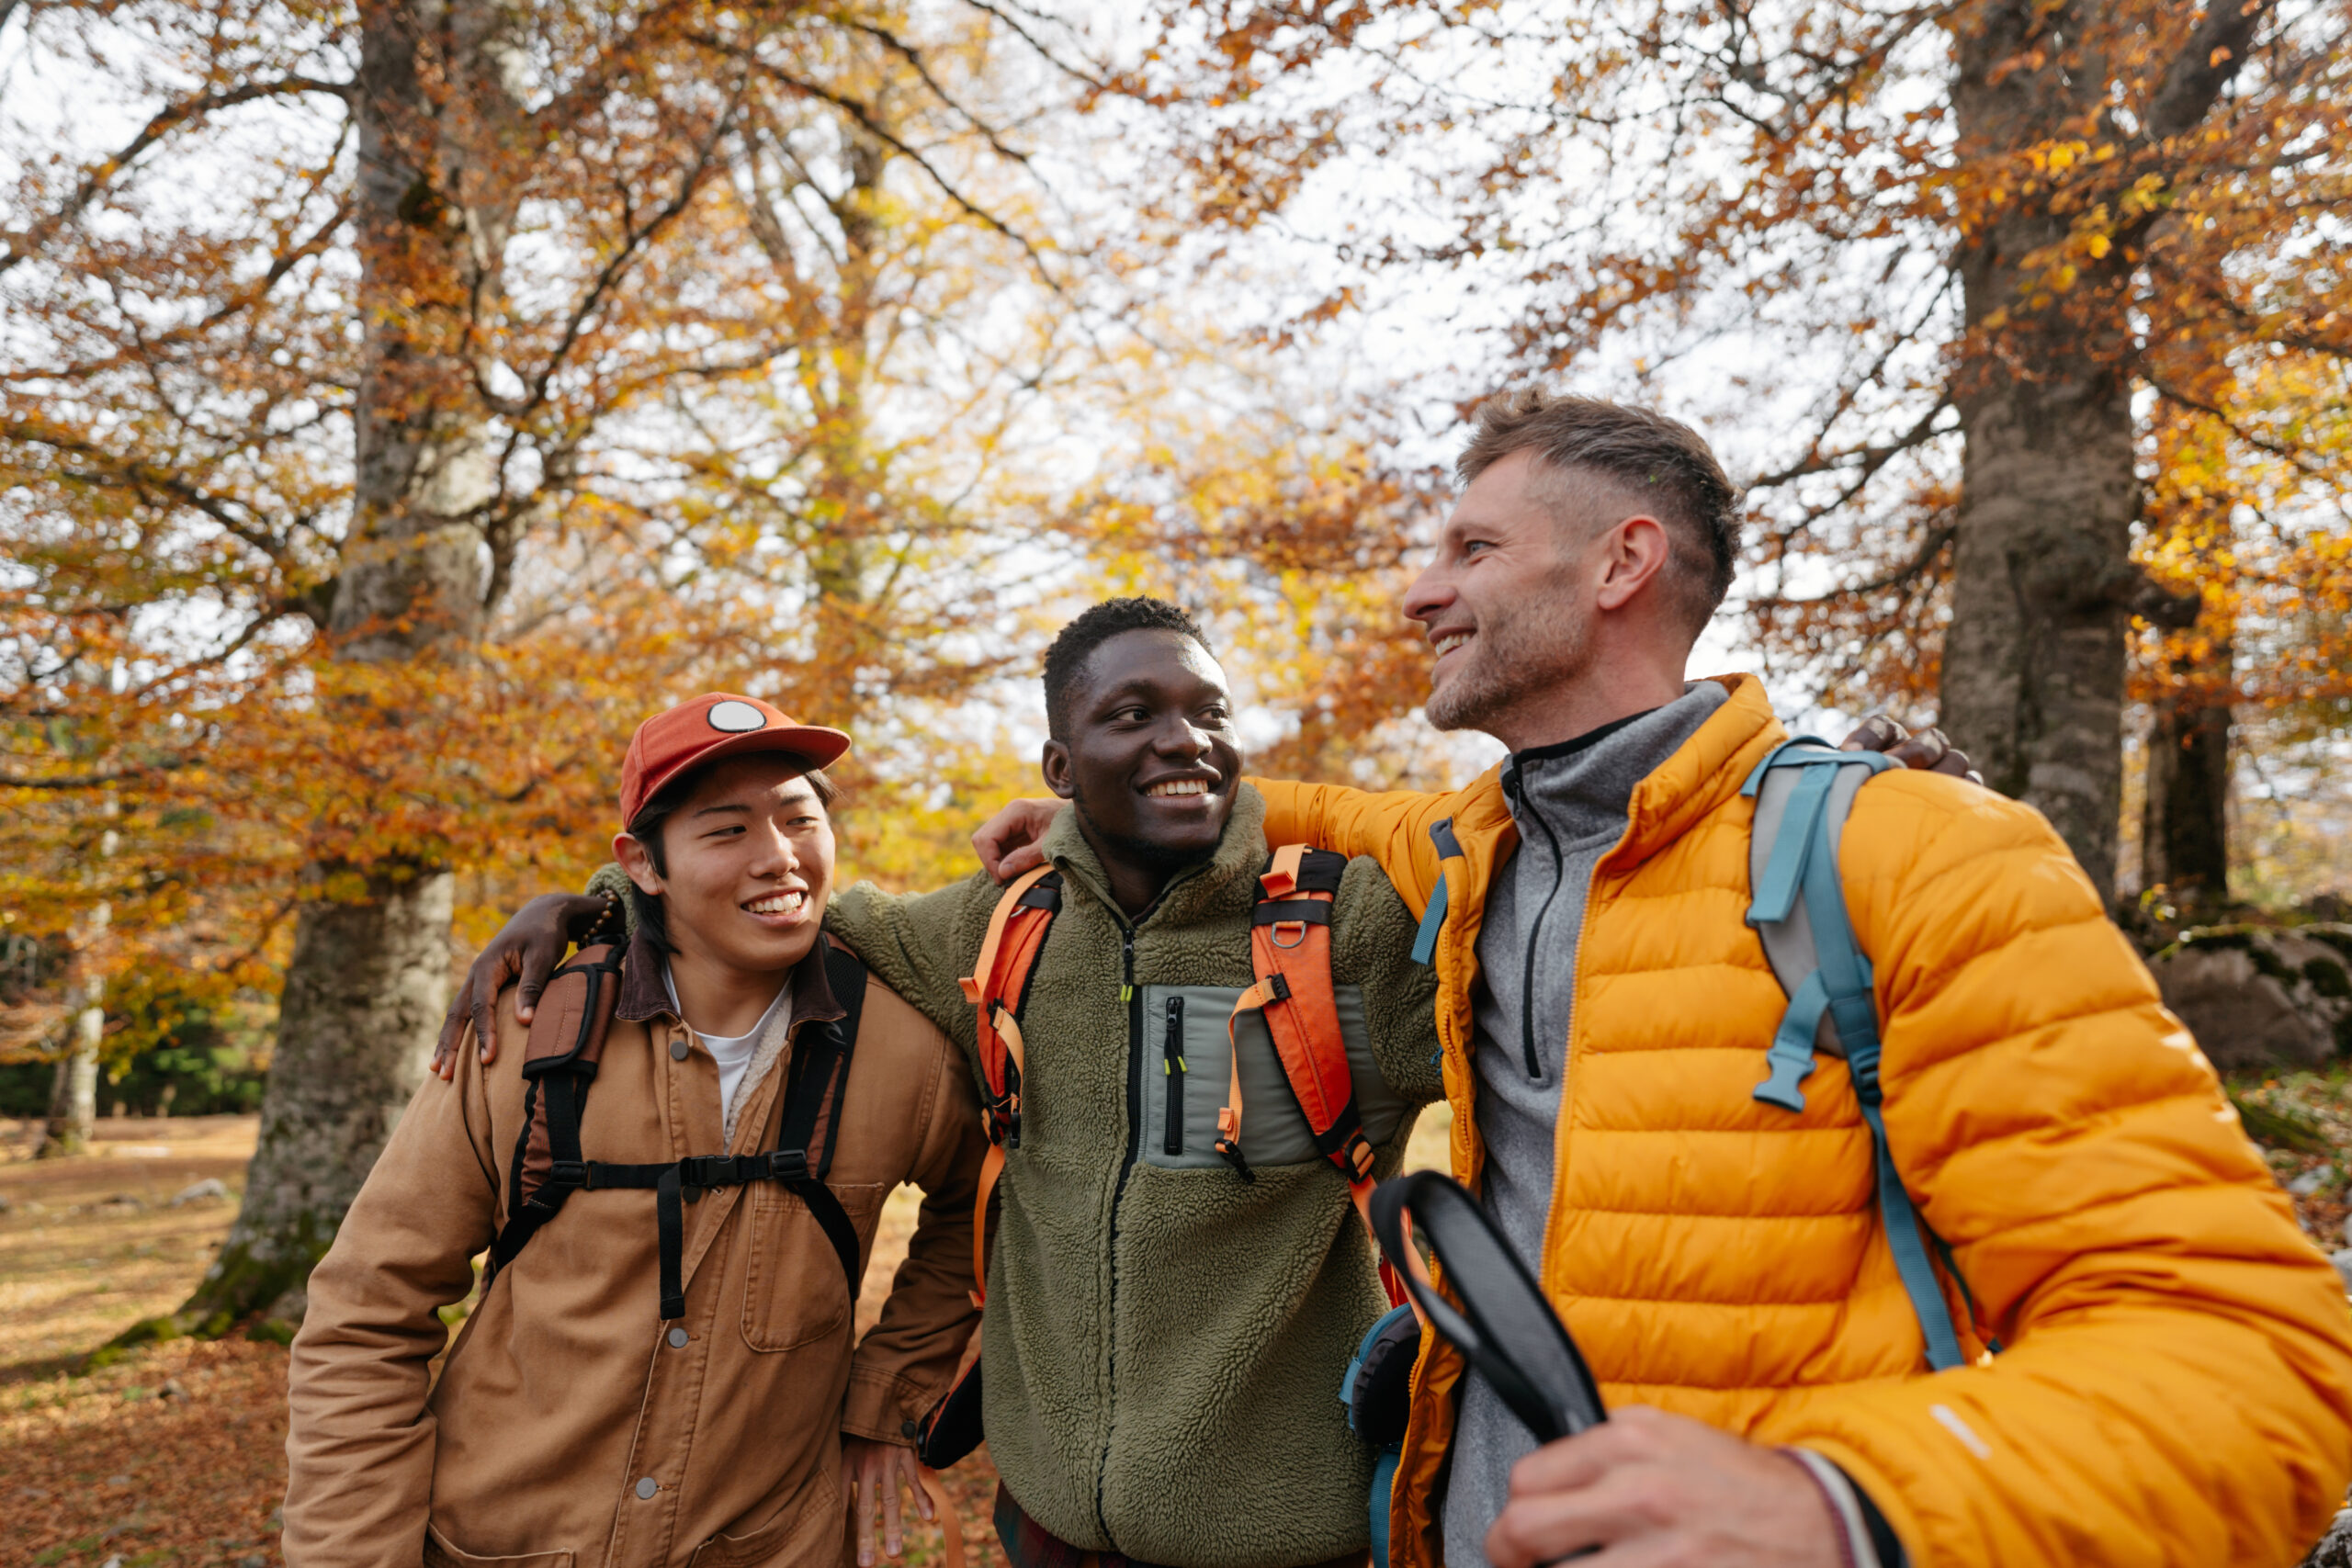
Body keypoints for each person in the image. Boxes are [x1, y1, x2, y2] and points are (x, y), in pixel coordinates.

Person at [977, 392, 2352, 1568]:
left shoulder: (1909, 847)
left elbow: (2254, 1350)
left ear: (1621, 562)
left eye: (1472, 547)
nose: (1418, 590)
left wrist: (1843, 1499)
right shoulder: (1474, 840)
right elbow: (1308, 803)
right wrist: (1079, 819)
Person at [438, 600, 1450, 1568]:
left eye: (1209, 713)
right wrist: (602, 903)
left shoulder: (1348, 934)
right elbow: (795, 909)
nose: (1182, 740)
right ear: (1058, 765)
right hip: (1047, 1522)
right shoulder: (999, 928)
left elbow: (1515, 878)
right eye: (1133, 716)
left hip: (1286, 1536)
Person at [286, 694, 985, 1568]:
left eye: (800, 817)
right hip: (500, 1542)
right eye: (726, 831)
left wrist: (888, 1392)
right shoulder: (525, 1036)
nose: (779, 857)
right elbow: (365, 1314)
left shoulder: (904, 1048)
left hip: (772, 1543)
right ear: (641, 865)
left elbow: (983, 1207)